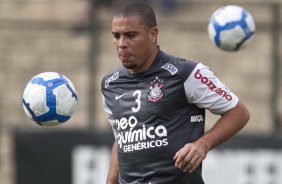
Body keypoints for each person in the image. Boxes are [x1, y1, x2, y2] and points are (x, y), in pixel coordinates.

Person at [101, 1, 250, 184]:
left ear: (153, 34)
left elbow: (239, 112)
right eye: (116, 36)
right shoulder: (110, 84)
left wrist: (203, 145)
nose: (122, 44)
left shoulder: (186, 73)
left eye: (131, 35)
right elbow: (121, 137)